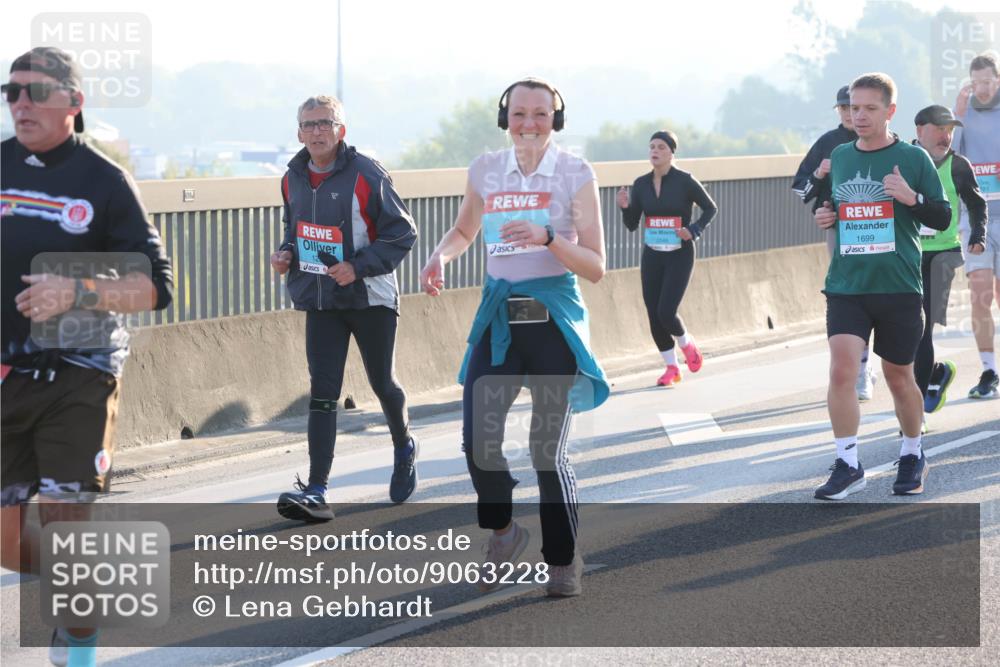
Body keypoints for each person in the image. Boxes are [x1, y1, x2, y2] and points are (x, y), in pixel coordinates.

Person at [1, 47, 173, 667]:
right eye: (11, 92)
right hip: (8, 374)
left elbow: (158, 286)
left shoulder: (103, 181)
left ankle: (79, 640)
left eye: (35, 91)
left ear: (74, 102)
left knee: (64, 516)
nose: (20, 103)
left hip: (81, 368)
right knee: (10, 542)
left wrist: (77, 290)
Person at [419, 78, 609, 597]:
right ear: (505, 117)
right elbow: (464, 230)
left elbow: (596, 266)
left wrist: (550, 238)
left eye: (540, 114)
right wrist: (441, 256)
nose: (529, 123)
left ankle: (563, 562)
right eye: (520, 113)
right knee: (478, 441)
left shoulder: (575, 173)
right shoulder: (485, 169)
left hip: (553, 319)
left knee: (547, 451)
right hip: (499, 317)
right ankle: (505, 532)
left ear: (556, 119)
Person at [269, 95, 418, 522]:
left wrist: (358, 266)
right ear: (298, 133)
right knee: (323, 391)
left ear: (341, 130)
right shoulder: (292, 177)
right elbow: (293, 229)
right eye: (309, 125)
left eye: (325, 123)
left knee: (382, 382)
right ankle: (317, 491)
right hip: (322, 300)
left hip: (369, 296)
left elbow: (402, 232)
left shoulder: (365, 172)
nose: (317, 131)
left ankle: (404, 445)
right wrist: (285, 254)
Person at [812, 73, 951, 501]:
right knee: (842, 368)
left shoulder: (913, 159)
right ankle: (848, 463)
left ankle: (912, 452)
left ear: (890, 112)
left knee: (898, 377)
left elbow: (942, 217)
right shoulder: (840, 155)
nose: (860, 115)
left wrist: (911, 198)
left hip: (899, 286)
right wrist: (826, 215)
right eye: (854, 107)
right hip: (847, 284)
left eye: (870, 108)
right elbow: (834, 203)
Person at [793, 86, 878, 401]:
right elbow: (801, 189)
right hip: (841, 231)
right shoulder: (827, 143)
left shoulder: (882, 138)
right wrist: (819, 171)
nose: (850, 113)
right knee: (852, 296)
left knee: (881, 299)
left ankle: (881, 363)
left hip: (881, 231)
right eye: (844, 108)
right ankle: (862, 370)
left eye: (855, 107)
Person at [616, 130, 718, 386]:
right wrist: (625, 206)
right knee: (653, 313)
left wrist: (693, 230)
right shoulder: (640, 184)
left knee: (666, 311)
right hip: (652, 254)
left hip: (679, 254)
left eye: (661, 147)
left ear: (672, 152)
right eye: (652, 146)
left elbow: (710, 208)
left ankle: (687, 344)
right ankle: (671, 367)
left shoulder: (685, 181)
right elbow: (631, 224)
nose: (655, 151)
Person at [911, 105, 988, 415]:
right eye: (939, 129)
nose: (946, 136)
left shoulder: (958, 165)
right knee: (905, 329)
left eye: (950, 130)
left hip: (944, 253)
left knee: (922, 326)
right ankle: (936, 372)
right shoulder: (903, 159)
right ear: (920, 131)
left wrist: (978, 236)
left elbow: (976, 203)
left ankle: (914, 409)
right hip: (907, 251)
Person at [953, 52, 1000, 399]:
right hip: (975, 216)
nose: (982, 88)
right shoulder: (963, 113)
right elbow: (949, 157)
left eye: (988, 81)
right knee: (979, 291)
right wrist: (956, 116)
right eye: (977, 81)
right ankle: (988, 371)